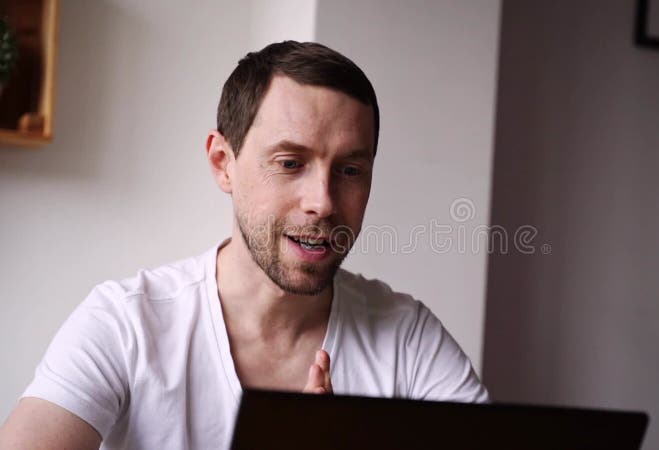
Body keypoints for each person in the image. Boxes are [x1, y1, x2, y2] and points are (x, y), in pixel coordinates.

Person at [0, 41, 488, 449]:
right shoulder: (125, 324)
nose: (323, 202)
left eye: (350, 170)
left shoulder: (407, 338)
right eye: (290, 163)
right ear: (222, 162)